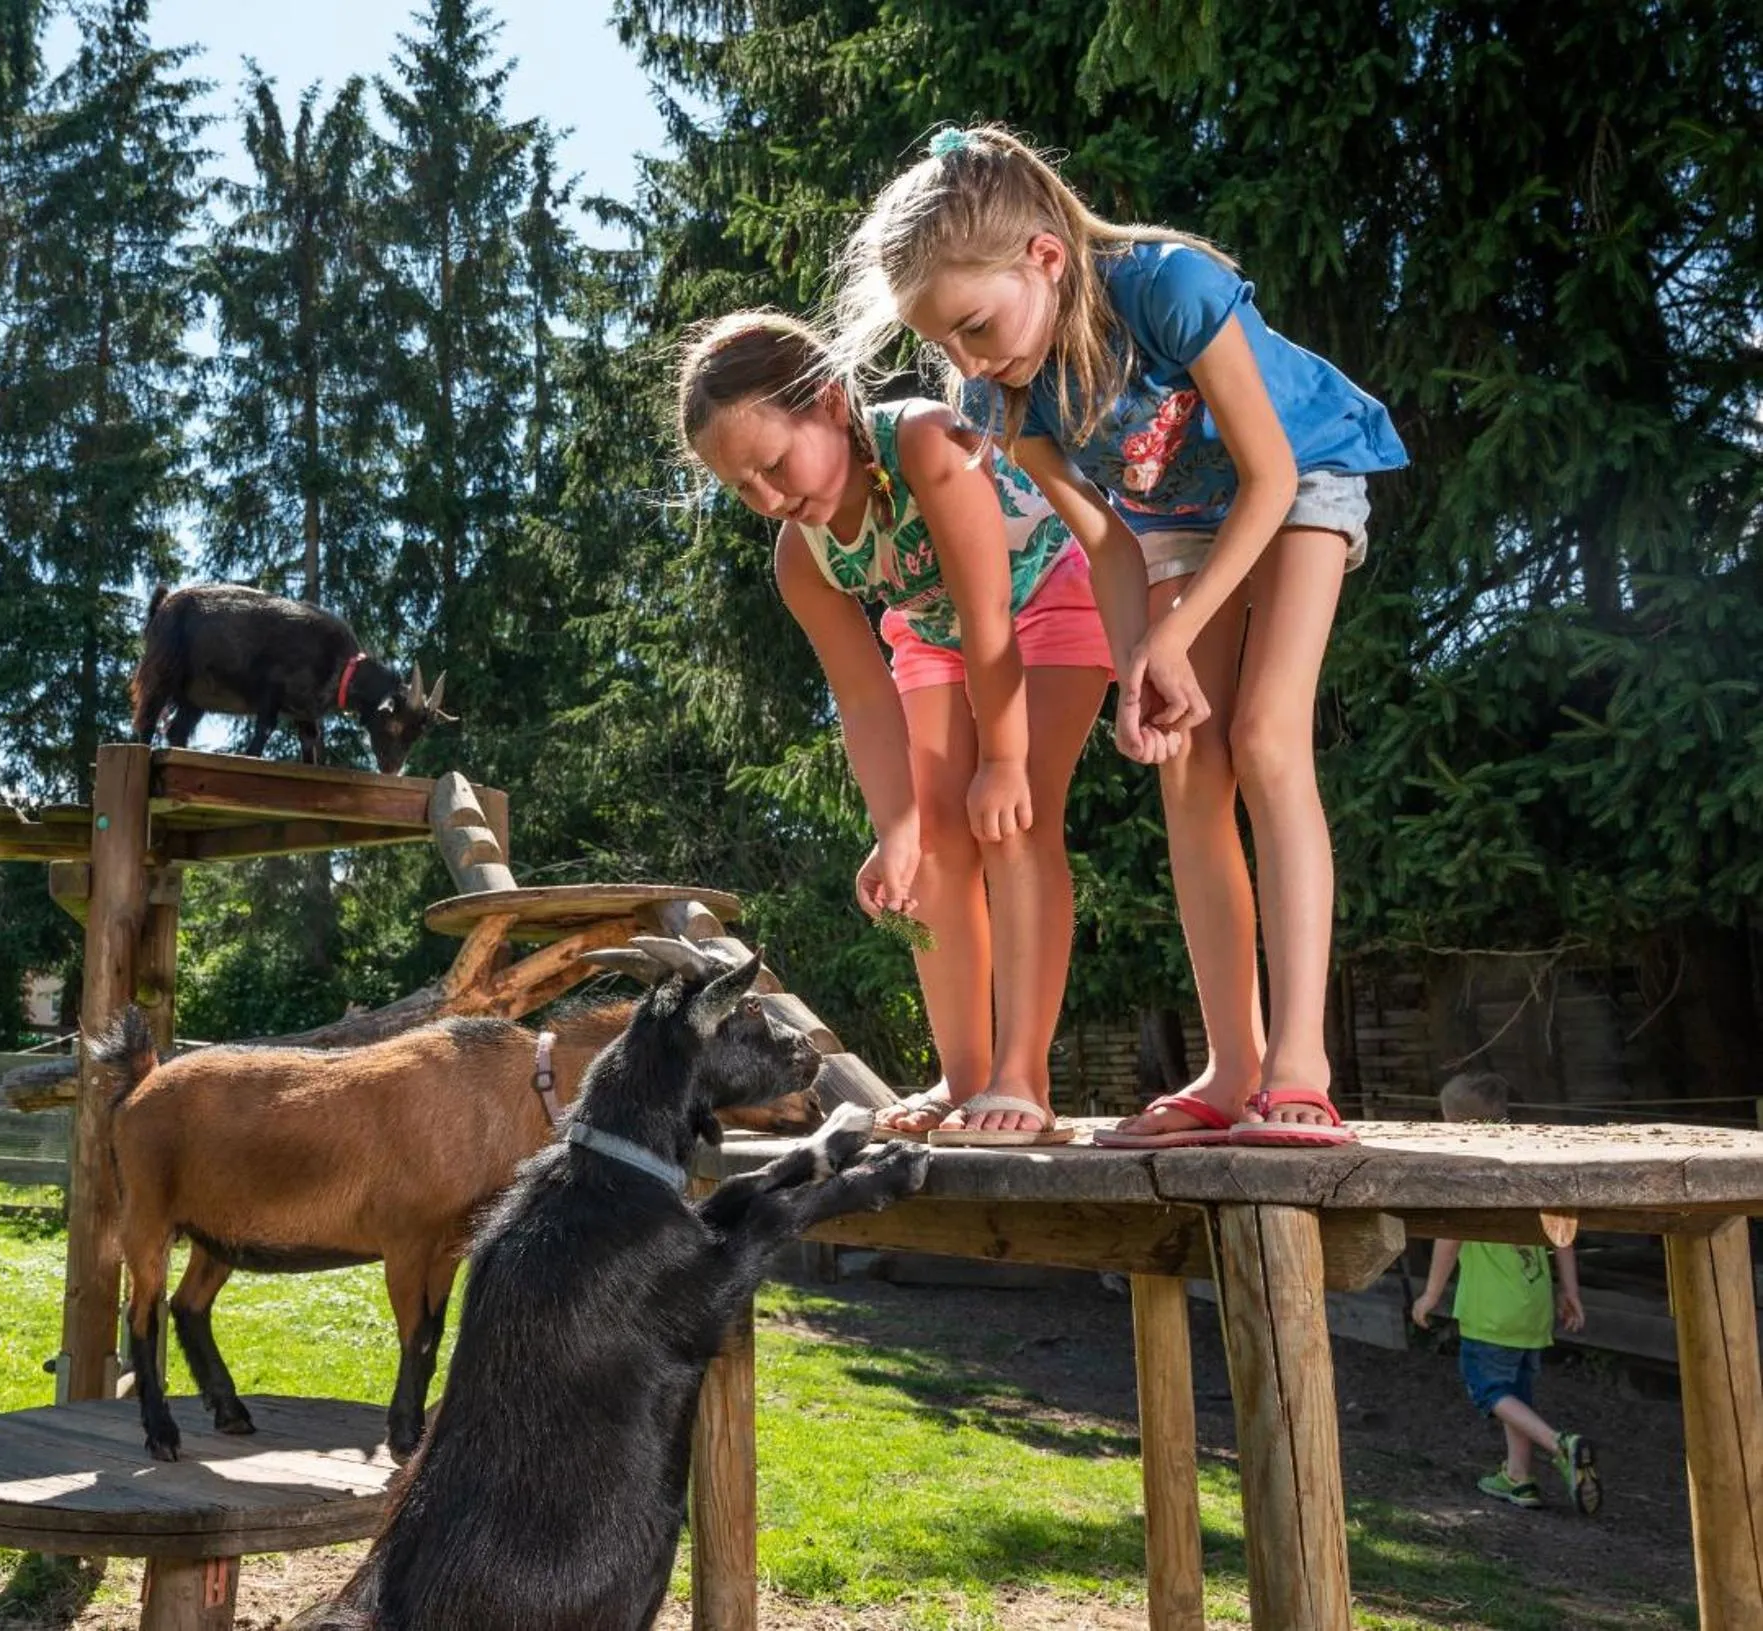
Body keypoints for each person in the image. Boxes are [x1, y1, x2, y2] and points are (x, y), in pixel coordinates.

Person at [830, 123, 1409, 1146]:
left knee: (1268, 737)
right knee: (1187, 763)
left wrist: (1178, 634)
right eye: (945, 344)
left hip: (1301, 475)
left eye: (973, 324)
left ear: (1043, 257)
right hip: (1173, 525)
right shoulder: (1000, 392)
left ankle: (1301, 1069)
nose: (967, 359)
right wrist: (1146, 653)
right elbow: (1103, 538)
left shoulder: (1168, 287)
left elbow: (1270, 476)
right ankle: (1232, 1069)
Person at [677, 309, 1109, 1145]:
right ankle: (964, 1071)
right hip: (936, 631)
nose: (768, 497)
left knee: (1017, 820)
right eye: (742, 487)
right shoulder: (800, 556)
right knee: (934, 849)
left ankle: (1022, 1074)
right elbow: (866, 702)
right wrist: (897, 829)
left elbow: (990, 622)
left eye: (772, 463)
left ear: (831, 403)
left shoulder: (924, 443)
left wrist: (1005, 759)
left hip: (1045, 591)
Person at [1409, 1072, 1600, 1513]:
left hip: (1489, 1310)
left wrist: (1430, 1295)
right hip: (1534, 1304)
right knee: (1517, 1394)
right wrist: (1570, 1291)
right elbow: (1561, 1232)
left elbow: (1450, 1236)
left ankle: (1560, 1443)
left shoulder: (1470, 1172)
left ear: (1451, 1122)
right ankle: (1519, 1478)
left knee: (1489, 1390)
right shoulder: (1526, 1166)